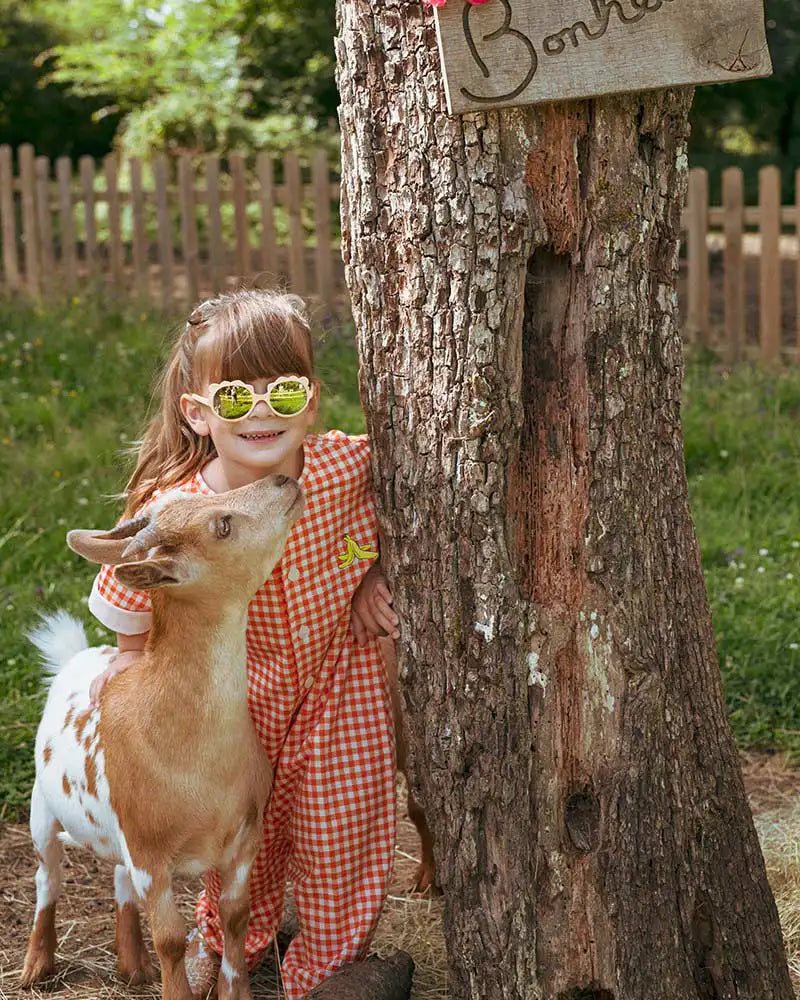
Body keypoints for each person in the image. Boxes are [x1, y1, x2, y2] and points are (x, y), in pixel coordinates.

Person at [87, 290, 402, 999]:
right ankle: (230, 940)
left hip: (334, 689)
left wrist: (377, 572)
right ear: (198, 412)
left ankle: (324, 973)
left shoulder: (344, 469)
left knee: (340, 834)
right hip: (234, 704)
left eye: (283, 391)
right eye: (235, 398)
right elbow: (131, 634)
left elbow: (412, 510)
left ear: (312, 401)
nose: (262, 412)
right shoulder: (176, 513)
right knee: (239, 843)